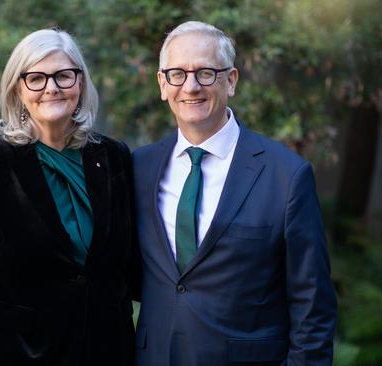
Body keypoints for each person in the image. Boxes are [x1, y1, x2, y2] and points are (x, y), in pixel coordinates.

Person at [133, 21, 337, 366]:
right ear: (162, 84)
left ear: (231, 80)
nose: (191, 86)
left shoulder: (286, 175)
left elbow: (312, 305)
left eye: (206, 73)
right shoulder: (138, 168)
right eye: (177, 74)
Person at [0, 28, 138, 366]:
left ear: (81, 84)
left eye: (63, 75)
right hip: (21, 354)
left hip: (108, 351)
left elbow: (131, 265)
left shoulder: (114, 157)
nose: (51, 88)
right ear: (18, 88)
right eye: (36, 78)